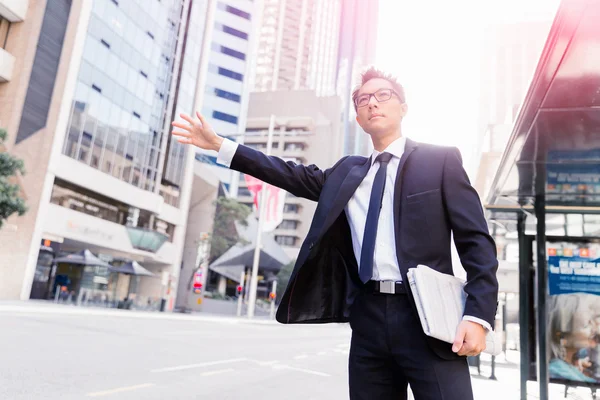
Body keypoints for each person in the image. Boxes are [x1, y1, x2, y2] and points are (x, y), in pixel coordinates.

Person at [172, 67, 499, 399]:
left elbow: (476, 241)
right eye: (363, 99)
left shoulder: (439, 160)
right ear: (357, 117)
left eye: (383, 95)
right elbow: (288, 173)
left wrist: (477, 314)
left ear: (403, 107)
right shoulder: (347, 172)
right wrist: (219, 145)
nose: (372, 103)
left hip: (428, 316)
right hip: (368, 316)